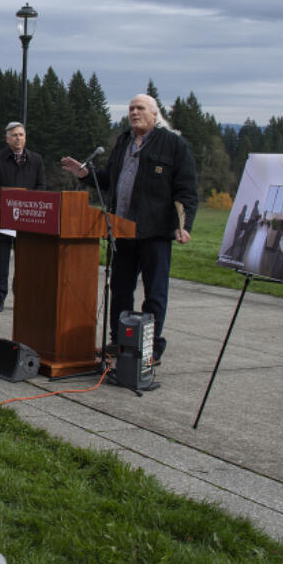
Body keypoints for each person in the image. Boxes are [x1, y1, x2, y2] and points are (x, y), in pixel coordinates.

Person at [62, 93, 198, 362]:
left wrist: (185, 225)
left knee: (155, 292)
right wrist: (86, 174)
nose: (134, 113)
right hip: (121, 231)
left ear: (155, 114)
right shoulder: (124, 142)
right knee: (120, 289)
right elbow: (110, 179)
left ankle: (150, 347)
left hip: (155, 232)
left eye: (140, 108)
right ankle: (119, 342)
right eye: (131, 109)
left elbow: (187, 189)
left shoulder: (173, 144)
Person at [0, 121, 45, 313]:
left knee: (25, 262)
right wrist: (12, 201)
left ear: (25, 137)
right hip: (4, 217)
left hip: (28, 219)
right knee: (1, 260)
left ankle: (22, 298)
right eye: (14, 135)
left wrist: (27, 203)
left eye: (21, 135)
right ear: (7, 138)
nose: (18, 138)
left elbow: (41, 187)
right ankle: (0, 297)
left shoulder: (36, 160)